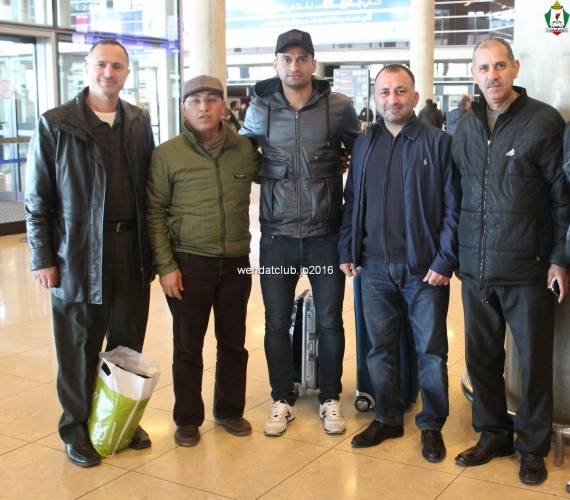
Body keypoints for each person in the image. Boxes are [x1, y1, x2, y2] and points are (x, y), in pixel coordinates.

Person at [25, 39, 155, 468]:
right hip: (77, 254)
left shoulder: (138, 121)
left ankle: (119, 419)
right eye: (101, 64)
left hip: (131, 249)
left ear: (127, 72)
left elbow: (150, 190)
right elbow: (38, 197)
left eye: (117, 66)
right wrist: (43, 256)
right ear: (86, 68)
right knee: (78, 345)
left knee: (126, 344)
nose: (108, 73)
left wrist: (155, 254)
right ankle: (76, 427)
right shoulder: (57, 123)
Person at [452, 37, 570, 485]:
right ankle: (493, 434)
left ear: (515, 68)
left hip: (527, 268)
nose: (492, 76)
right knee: (481, 359)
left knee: (535, 362)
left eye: (499, 66)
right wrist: (457, 255)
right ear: (474, 74)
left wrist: (558, 259)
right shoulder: (463, 126)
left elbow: (562, 199)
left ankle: (532, 447)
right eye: (483, 68)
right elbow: (455, 196)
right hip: (477, 268)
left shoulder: (544, 121)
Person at [241, 28, 361, 436]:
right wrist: (268, 171)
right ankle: (281, 398)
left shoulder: (338, 107)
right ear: (276, 64)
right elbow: (243, 157)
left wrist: (340, 166)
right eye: (287, 58)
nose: (294, 66)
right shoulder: (260, 108)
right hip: (276, 236)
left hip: (325, 234)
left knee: (330, 320)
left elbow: (362, 154)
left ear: (313, 63)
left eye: (302, 58)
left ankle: (330, 397)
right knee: (276, 322)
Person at [338, 64, 459, 462]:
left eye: (401, 91)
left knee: (431, 351)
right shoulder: (364, 144)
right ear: (375, 98)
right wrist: (347, 249)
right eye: (385, 92)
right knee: (380, 349)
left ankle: (431, 424)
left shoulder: (437, 143)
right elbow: (352, 200)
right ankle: (388, 416)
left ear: (415, 96)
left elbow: (453, 208)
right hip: (372, 267)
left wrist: (444, 259)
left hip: (423, 270)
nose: (393, 99)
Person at [146, 75, 259, 447]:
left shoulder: (244, 149)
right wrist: (166, 267)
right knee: (187, 346)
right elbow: (155, 213)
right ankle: (187, 418)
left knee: (233, 343)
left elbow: (278, 175)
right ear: (184, 108)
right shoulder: (167, 154)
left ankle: (229, 410)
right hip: (189, 262)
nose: (204, 107)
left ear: (224, 106)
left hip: (237, 260)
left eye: (212, 99)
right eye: (195, 100)